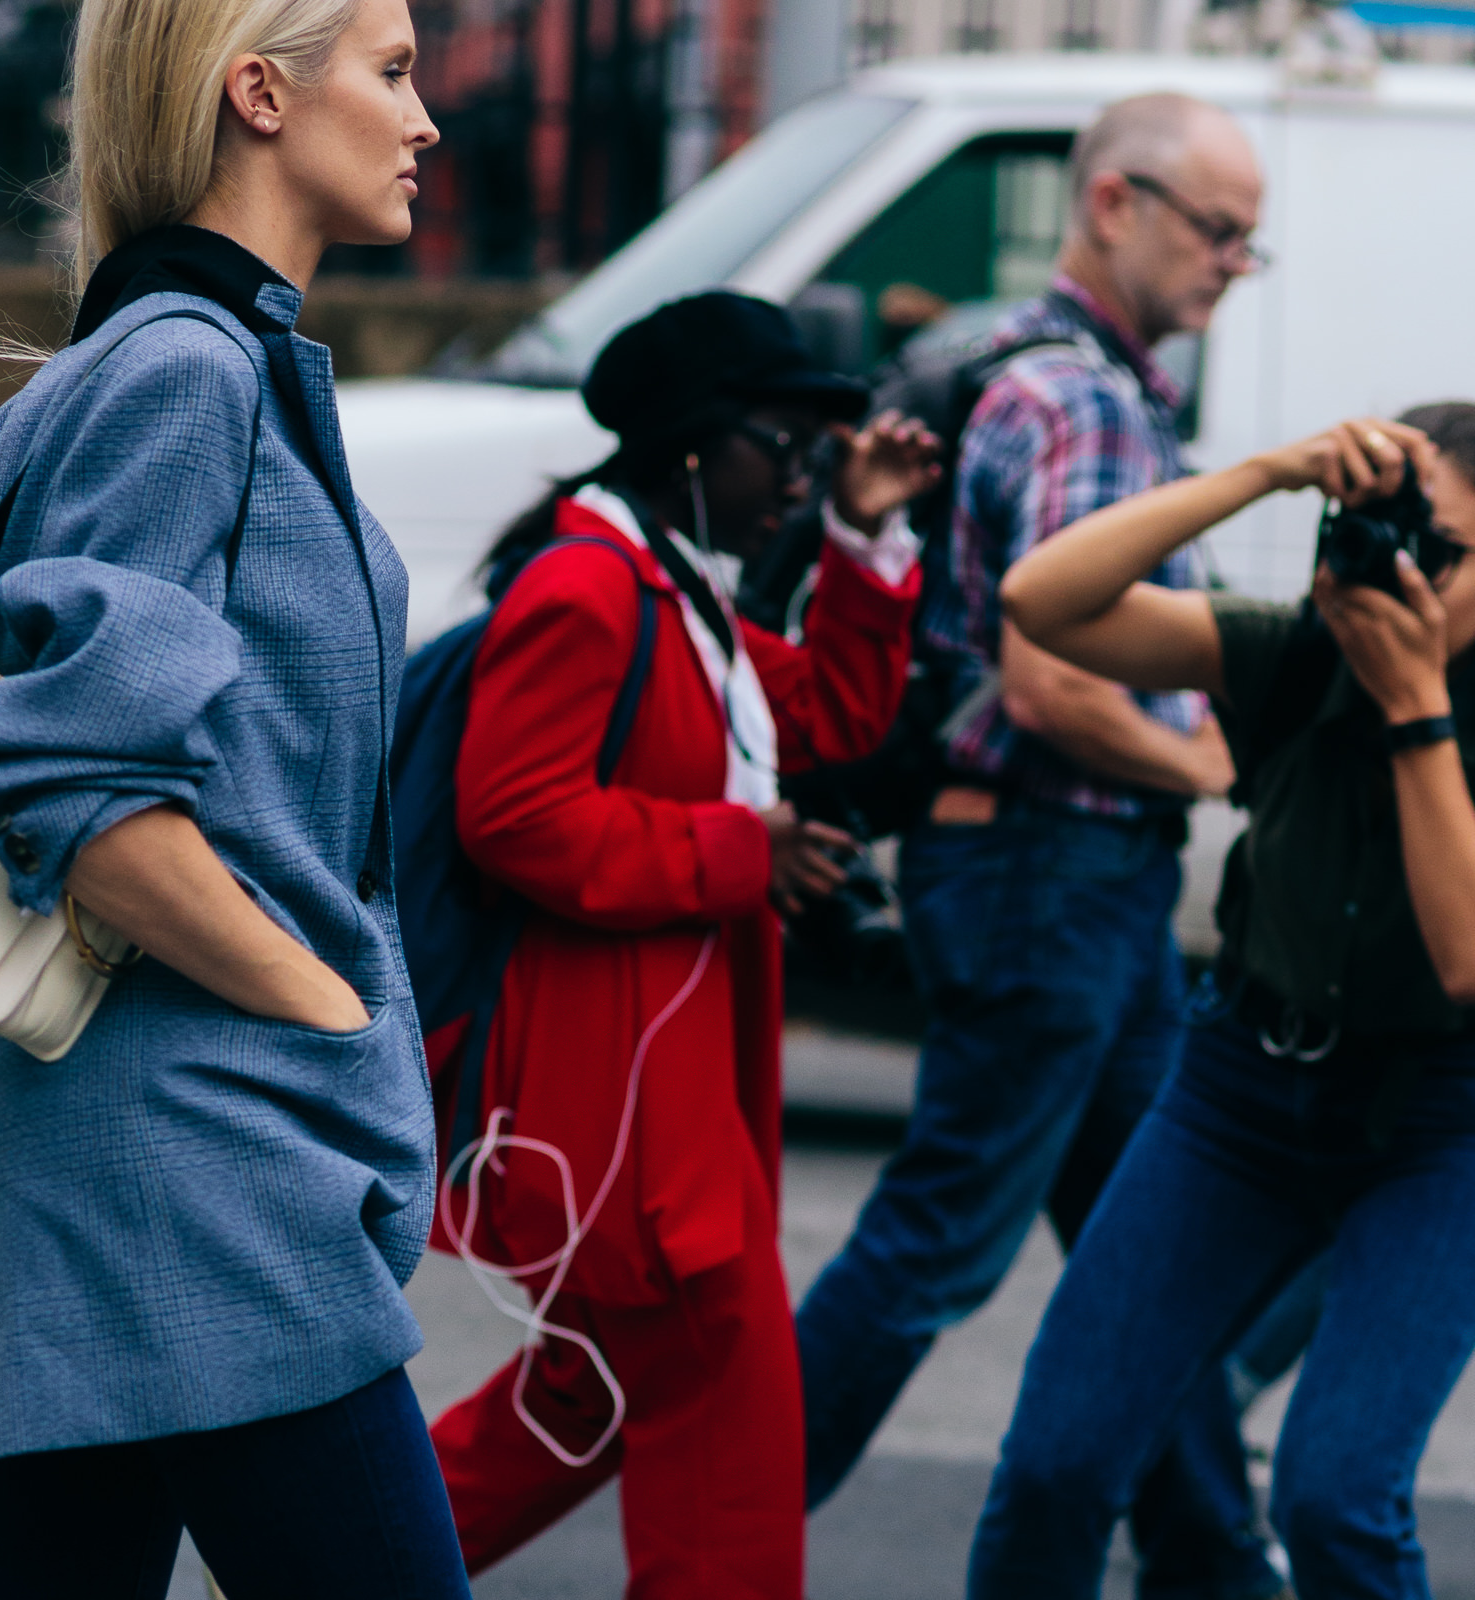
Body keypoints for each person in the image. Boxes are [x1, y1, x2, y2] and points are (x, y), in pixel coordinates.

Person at [0, 3, 469, 1597]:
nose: (427, 117)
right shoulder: (186, 376)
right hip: (203, 1180)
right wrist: (325, 1013)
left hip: (118, 1170)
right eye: (391, 70)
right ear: (260, 92)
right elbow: (92, 804)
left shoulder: (200, 363)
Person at [787, 91, 1284, 1597]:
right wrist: (1202, 756)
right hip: (1042, 871)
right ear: (1115, 202)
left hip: (1077, 885)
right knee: (940, 1238)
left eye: (1249, 244)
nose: (1229, 265)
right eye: (1218, 230)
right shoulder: (1077, 400)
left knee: (1153, 1248)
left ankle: (1213, 1562)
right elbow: (1053, 675)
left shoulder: (1071, 378)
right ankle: (728, 1527)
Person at [424, 291, 941, 1599]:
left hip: (661, 1088)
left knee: (583, 1400)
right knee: (731, 1450)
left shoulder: (673, 590)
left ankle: (316, 1560)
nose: (802, 476)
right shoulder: (589, 587)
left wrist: (862, 531)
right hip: (628, 1110)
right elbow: (516, 817)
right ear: (700, 446)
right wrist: (739, 851)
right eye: (791, 446)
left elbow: (828, 714)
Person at [970, 404, 1475, 1599]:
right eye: (1370, 532)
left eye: (1434, 548)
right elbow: (1044, 601)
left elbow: (1467, 964)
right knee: (1055, 1468)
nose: (1388, 569)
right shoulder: (1297, 645)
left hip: (1444, 1125)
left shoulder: (1391, 678)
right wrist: (1269, 471)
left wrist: (1417, 707)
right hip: (1239, 1090)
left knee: (1336, 1498)